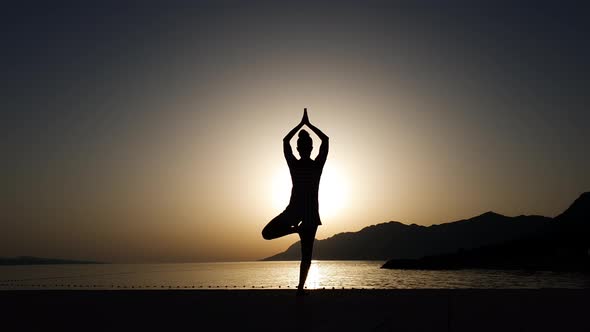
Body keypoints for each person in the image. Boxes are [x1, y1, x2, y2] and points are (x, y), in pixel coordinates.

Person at [262, 108, 329, 296]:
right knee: (306, 255)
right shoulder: (313, 165)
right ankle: (300, 288)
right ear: (308, 148)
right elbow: (325, 140)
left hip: (299, 212)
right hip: (301, 212)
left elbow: (285, 142)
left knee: (271, 235)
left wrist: (301, 125)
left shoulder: (303, 165)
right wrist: (308, 125)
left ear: (301, 148)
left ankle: (300, 288)